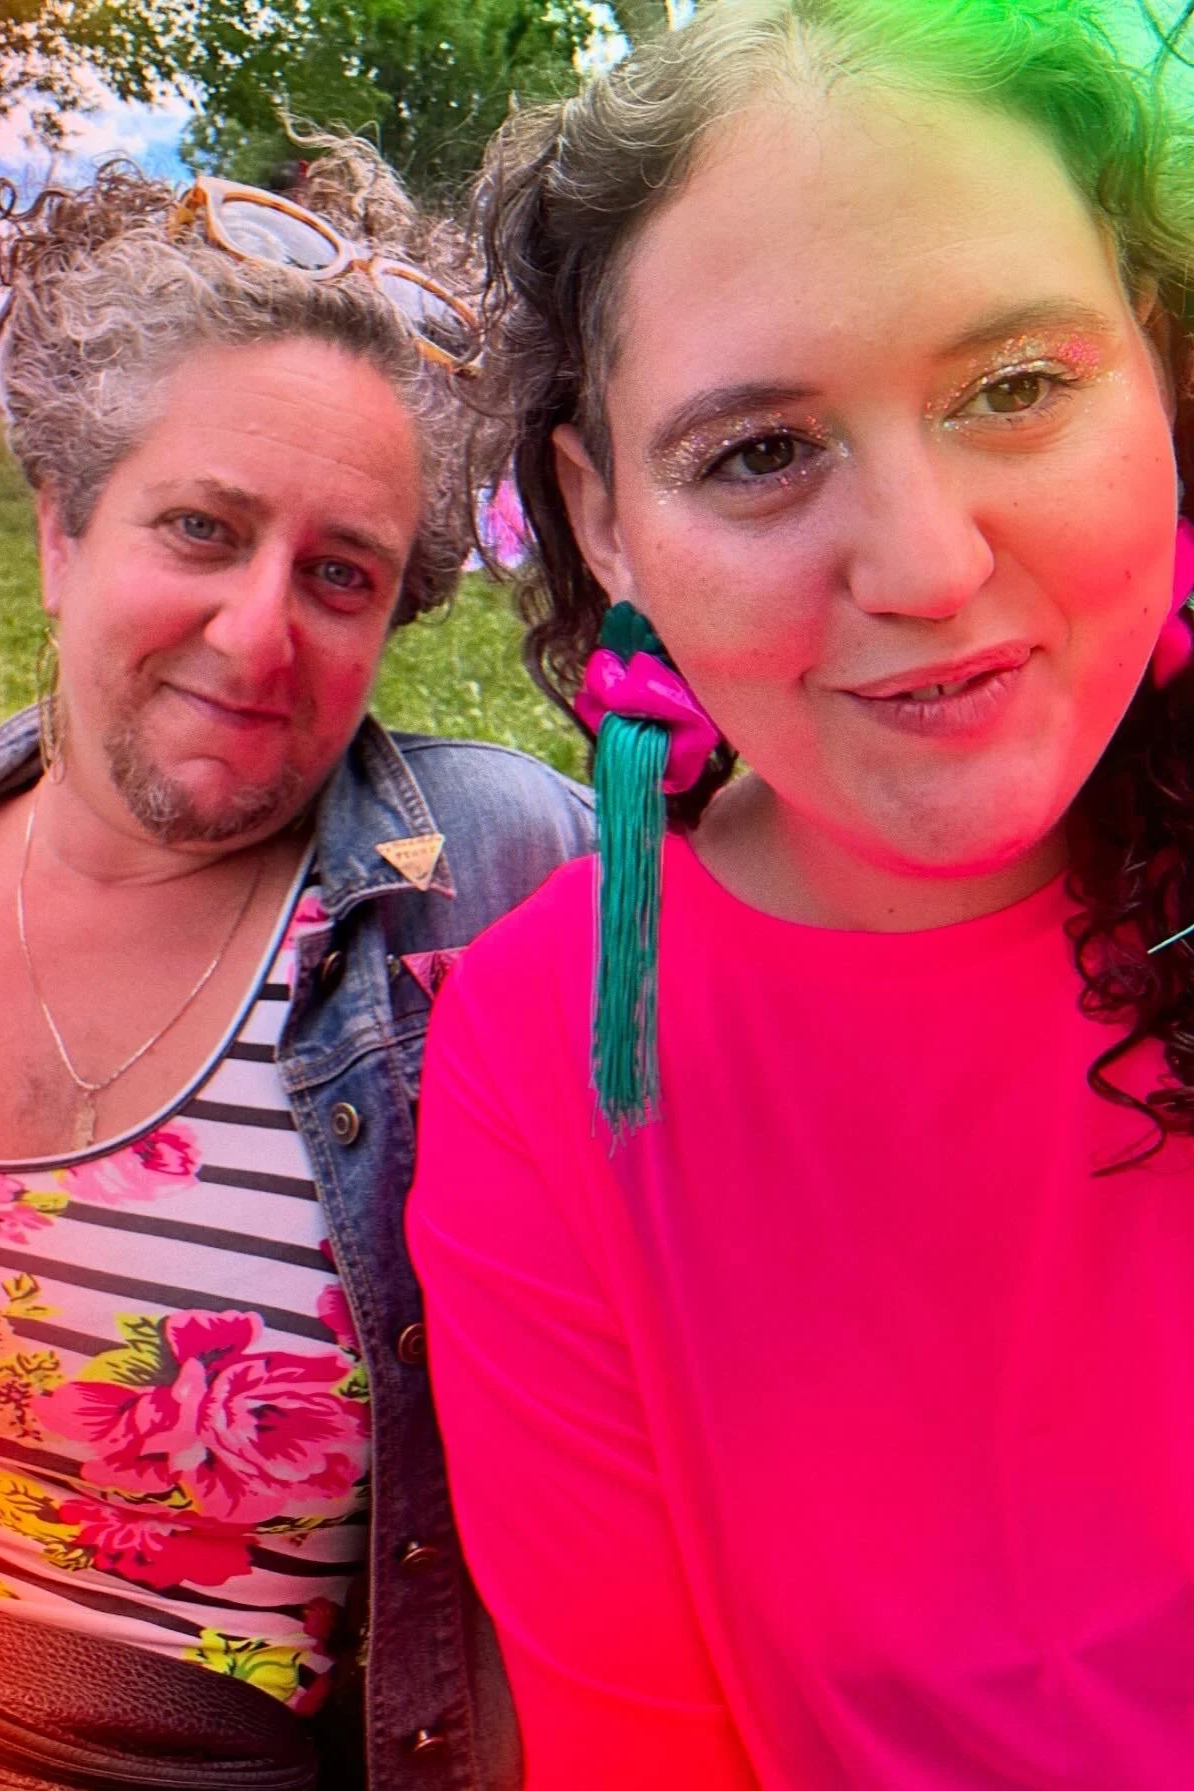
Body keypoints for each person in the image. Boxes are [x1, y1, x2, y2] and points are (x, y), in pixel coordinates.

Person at [407, 2, 1194, 1785]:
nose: (922, 565)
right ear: (603, 524)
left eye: (1014, 387)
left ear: (1151, 372)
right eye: (758, 453)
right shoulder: (548, 1055)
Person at [0, 147, 592, 1791]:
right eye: (200, 527)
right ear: (61, 530)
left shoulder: (490, 878)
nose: (258, 635)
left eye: (340, 574)